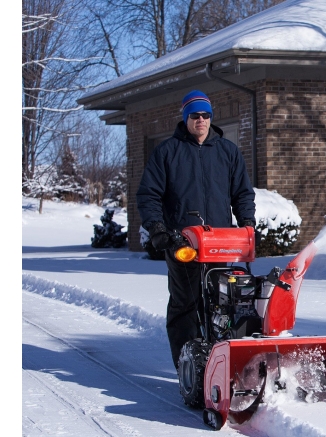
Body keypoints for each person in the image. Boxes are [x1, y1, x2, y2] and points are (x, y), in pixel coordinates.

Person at [136, 90, 256, 373]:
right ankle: (188, 368)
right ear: (186, 118)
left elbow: (242, 193)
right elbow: (148, 195)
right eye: (195, 116)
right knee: (185, 304)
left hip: (219, 242)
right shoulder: (167, 152)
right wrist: (158, 229)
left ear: (210, 118)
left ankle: (221, 362)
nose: (200, 120)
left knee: (223, 302)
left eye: (205, 115)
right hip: (183, 242)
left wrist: (247, 226)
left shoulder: (228, 152)